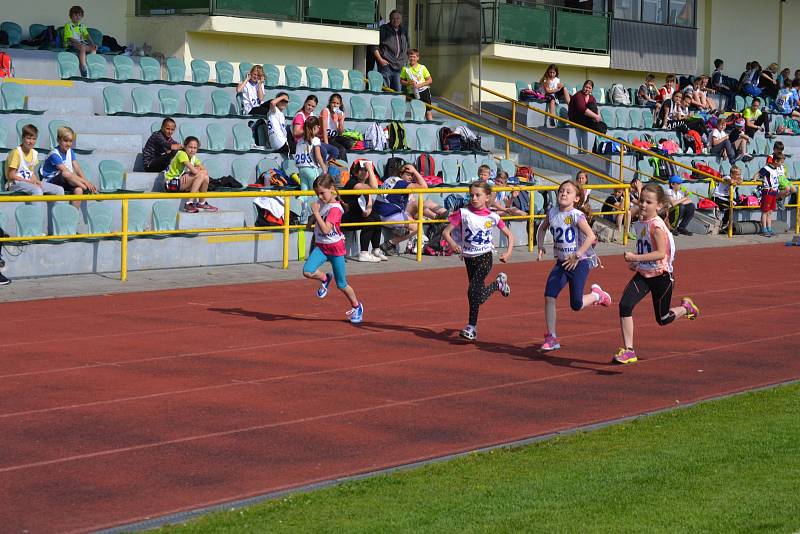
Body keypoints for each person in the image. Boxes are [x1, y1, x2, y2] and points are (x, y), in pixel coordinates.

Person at [613, 182, 700, 364]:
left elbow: (661, 253)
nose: (643, 205)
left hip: (661, 277)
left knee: (662, 318)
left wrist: (636, 258)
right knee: (625, 306)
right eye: (641, 201)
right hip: (644, 274)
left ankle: (686, 308)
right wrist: (638, 264)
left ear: (659, 206)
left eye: (648, 202)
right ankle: (629, 350)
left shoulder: (657, 226)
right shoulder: (643, 221)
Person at [536, 180, 612, 352]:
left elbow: (591, 236)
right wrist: (540, 245)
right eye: (561, 190)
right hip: (562, 263)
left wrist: (577, 255)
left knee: (576, 304)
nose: (563, 193)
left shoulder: (577, 215)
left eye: (568, 192)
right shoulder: (552, 213)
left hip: (579, 263)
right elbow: (541, 229)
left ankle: (596, 295)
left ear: (576, 198)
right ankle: (551, 336)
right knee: (549, 295)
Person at [443, 180, 514, 341]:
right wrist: (454, 244)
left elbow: (509, 235)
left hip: (485, 257)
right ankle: (498, 284)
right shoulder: (463, 213)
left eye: (478, 195)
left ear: (487, 197)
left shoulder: (493, 217)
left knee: (472, 291)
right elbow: (446, 232)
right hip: (469, 258)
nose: (474, 198)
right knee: (479, 297)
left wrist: (508, 253)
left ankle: (471, 327)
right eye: (471, 195)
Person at [302, 174, 364, 324]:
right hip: (322, 247)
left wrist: (316, 214)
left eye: (322, 193)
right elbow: (316, 218)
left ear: (331, 189)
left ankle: (357, 306)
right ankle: (325, 278)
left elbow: (325, 229)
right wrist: (311, 219)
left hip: (335, 249)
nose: (320, 196)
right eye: (317, 194)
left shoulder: (336, 209)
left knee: (342, 284)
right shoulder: (321, 202)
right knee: (307, 271)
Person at [372, 163, 447, 255]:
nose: (411, 177)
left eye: (412, 175)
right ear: (400, 174)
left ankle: (439, 217)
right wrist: (415, 172)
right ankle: (389, 244)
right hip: (387, 214)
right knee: (417, 226)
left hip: (388, 211)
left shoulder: (392, 179)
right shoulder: (400, 183)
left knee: (420, 204)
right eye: (408, 174)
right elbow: (424, 187)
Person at [40, 126, 96, 208]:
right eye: (65, 141)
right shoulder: (54, 154)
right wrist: (86, 183)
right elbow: (66, 172)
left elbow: (77, 168)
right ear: (58, 140)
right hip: (51, 181)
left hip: (66, 180)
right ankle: (88, 190)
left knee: (78, 190)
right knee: (66, 173)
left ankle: (73, 217)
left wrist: (86, 181)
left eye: (70, 141)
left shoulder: (70, 151)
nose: (68, 144)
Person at [342, 160, 385, 262]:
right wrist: (370, 168)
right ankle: (364, 252)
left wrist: (368, 209)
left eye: (366, 170)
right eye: (362, 170)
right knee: (370, 220)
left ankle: (376, 249)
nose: (365, 172)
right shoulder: (353, 182)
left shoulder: (365, 184)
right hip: (345, 216)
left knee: (376, 217)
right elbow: (374, 187)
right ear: (355, 172)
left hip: (357, 214)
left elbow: (369, 199)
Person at [5, 124, 64, 196]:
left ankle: (57, 207)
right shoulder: (16, 153)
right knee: (37, 191)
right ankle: (36, 207)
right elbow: (10, 175)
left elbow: (31, 173)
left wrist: (36, 181)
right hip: (14, 183)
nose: (31, 141)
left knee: (59, 190)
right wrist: (29, 182)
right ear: (22, 138)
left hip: (28, 182)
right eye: (29, 138)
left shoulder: (34, 153)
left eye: (34, 139)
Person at [163, 136, 217, 213]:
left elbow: (205, 170)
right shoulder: (182, 153)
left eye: (195, 148)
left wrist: (188, 172)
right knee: (201, 175)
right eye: (190, 147)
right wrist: (192, 171)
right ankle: (189, 203)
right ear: (185, 147)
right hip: (170, 183)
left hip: (180, 182)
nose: (192, 150)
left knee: (205, 176)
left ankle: (202, 202)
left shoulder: (193, 157)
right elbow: (195, 172)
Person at [374, 10, 409, 92]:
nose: (396, 20)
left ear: (401, 19)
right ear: (390, 19)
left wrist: (405, 60)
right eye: (393, 18)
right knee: (386, 90)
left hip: (399, 66)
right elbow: (374, 46)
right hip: (386, 65)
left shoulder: (404, 30)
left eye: (398, 18)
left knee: (397, 91)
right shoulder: (383, 29)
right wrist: (380, 60)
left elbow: (407, 46)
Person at [294, 117, 328, 188]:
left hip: (301, 170)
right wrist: (324, 169)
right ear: (315, 127)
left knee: (304, 194)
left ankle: (299, 200)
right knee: (315, 193)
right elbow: (318, 157)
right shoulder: (315, 140)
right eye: (318, 127)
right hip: (311, 168)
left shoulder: (299, 141)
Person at [400, 49, 433, 120]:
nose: (412, 59)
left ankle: (430, 123)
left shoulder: (422, 67)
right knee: (416, 110)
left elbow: (430, 80)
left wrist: (419, 85)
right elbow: (402, 81)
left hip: (424, 91)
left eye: (414, 57)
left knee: (428, 110)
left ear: (418, 58)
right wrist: (408, 83)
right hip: (413, 92)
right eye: (410, 57)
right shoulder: (405, 68)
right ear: (408, 57)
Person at [756, 153, 784, 237]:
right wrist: (755, 178)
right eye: (781, 162)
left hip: (774, 192)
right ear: (775, 161)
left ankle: (769, 228)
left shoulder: (776, 169)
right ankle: (764, 228)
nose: (781, 164)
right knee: (765, 211)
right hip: (767, 191)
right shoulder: (767, 168)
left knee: (770, 211)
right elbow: (759, 174)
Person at [64, 5, 97, 77]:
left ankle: (91, 66)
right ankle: (83, 67)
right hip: (71, 44)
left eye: (79, 15)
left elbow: (87, 36)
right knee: (82, 47)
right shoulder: (68, 25)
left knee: (93, 48)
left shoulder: (82, 26)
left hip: (81, 44)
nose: (77, 17)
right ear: (71, 16)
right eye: (75, 15)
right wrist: (80, 44)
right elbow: (70, 38)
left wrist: (93, 44)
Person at [712, 165, 742, 232]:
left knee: (736, 203)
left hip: (728, 196)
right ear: (731, 174)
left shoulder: (737, 178)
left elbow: (741, 180)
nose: (739, 176)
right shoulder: (727, 177)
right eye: (737, 174)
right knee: (733, 204)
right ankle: (723, 220)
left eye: (739, 174)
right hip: (718, 196)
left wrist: (738, 180)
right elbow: (730, 181)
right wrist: (736, 181)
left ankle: (725, 222)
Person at [318, 93, 348, 160]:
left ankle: (341, 166)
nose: (335, 105)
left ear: (340, 105)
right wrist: (327, 145)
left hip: (334, 138)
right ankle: (344, 169)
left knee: (350, 143)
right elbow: (324, 130)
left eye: (337, 103)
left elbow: (341, 133)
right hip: (324, 138)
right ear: (330, 103)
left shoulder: (341, 113)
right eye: (333, 103)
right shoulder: (326, 111)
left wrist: (341, 120)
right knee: (341, 150)